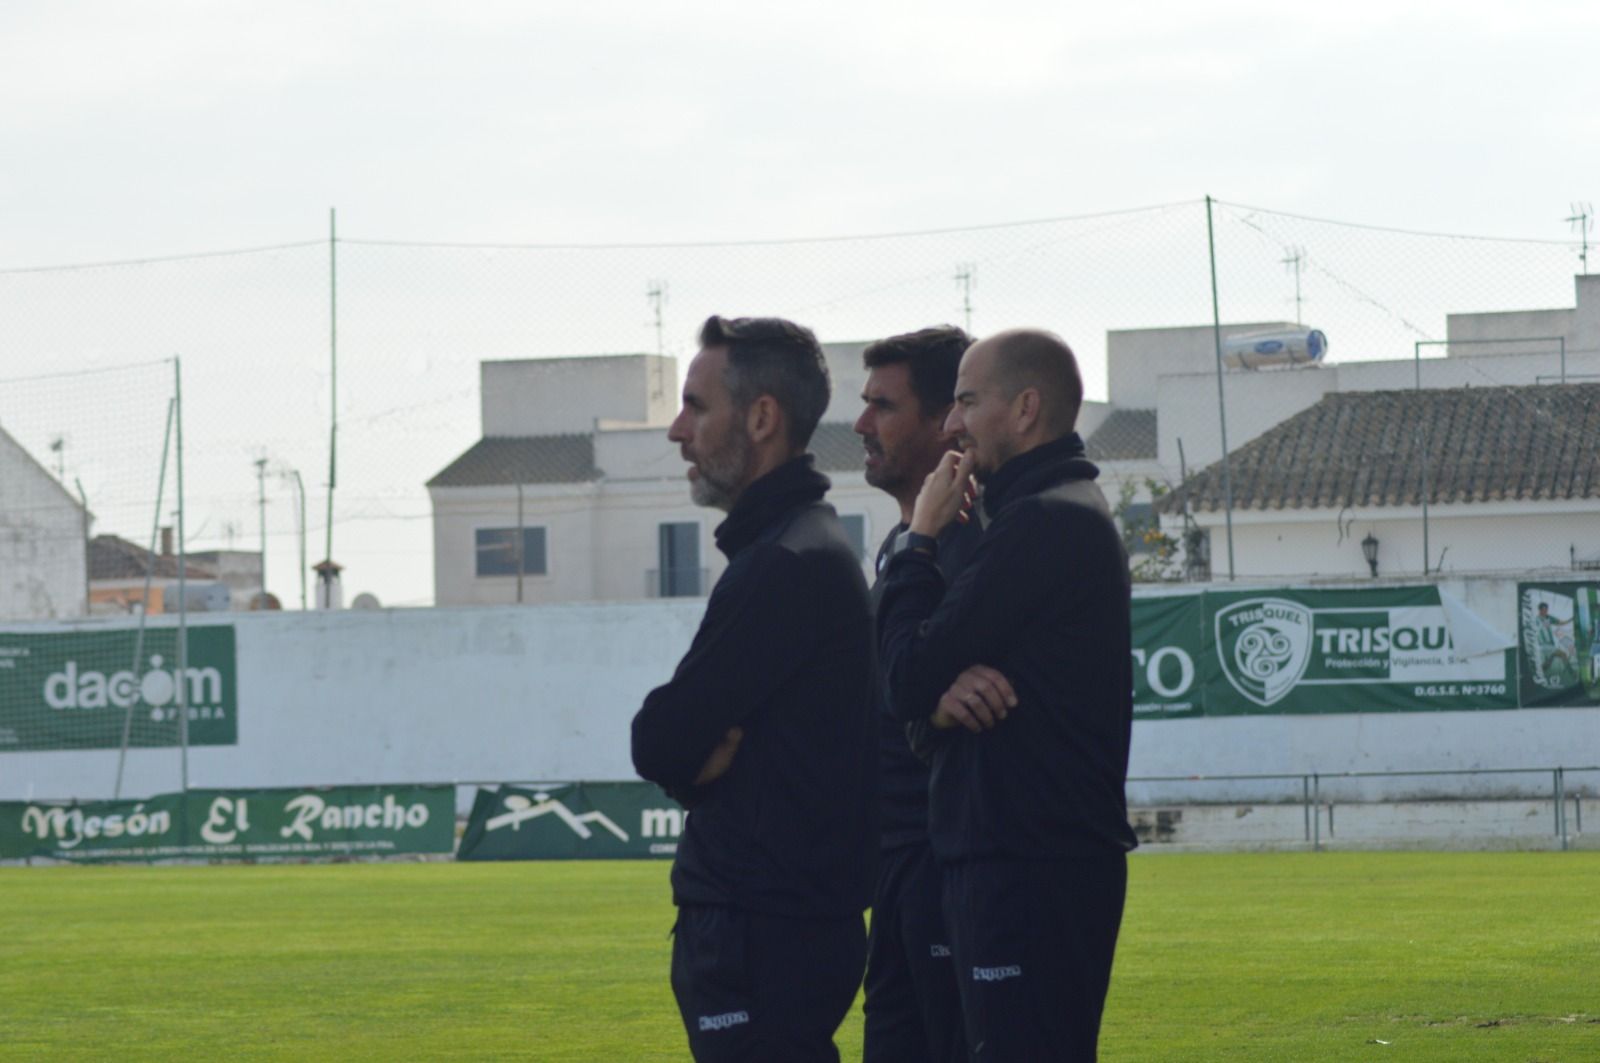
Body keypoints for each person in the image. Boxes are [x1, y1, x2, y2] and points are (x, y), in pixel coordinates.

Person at [877, 328, 1138, 1061]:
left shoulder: (1047, 519)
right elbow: (915, 685)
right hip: (1016, 857)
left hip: (1029, 864)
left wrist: (918, 540)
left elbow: (904, 671)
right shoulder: (1036, 512)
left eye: (966, 401)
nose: (952, 424)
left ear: (1026, 409)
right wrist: (933, 700)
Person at [631, 315, 876, 1062]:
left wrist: (692, 756)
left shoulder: (786, 562)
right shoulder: (795, 546)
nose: (678, 430)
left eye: (696, 406)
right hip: (774, 923)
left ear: (762, 417)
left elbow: (661, 738)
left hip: (759, 928)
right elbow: (685, 739)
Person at [853, 326, 985, 1063]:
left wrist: (929, 698)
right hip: (896, 869)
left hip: (941, 868)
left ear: (945, 422)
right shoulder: (903, 545)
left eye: (882, 405)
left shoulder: (970, 543)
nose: (861, 424)